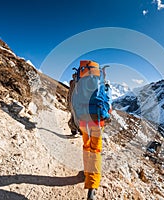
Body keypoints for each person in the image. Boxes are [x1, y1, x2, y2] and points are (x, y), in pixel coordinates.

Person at [71, 60, 112, 200]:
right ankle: (92, 187)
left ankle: (87, 174)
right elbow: (108, 102)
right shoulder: (102, 82)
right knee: (96, 150)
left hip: (83, 118)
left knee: (86, 146)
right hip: (97, 119)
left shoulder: (80, 82)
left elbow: (74, 101)